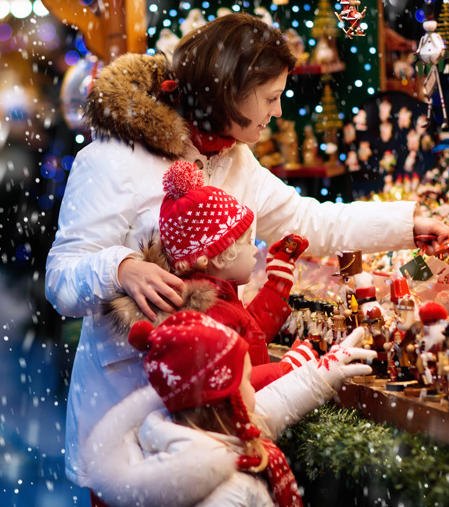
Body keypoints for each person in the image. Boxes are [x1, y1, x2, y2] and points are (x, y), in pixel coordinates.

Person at [45, 12, 449, 507]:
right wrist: (121, 267)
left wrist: (407, 222)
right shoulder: (113, 159)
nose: (278, 113)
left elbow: (308, 221)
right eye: (269, 98)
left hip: (212, 418)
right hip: (127, 410)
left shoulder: (236, 159)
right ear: (228, 91)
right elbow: (62, 278)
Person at [81, 310, 375, 507]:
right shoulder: (220, 493)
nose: (253, 386)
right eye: (246, 379)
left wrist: (320, 373)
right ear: (224, 399)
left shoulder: (194, 435)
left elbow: (269, 406)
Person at [105, 160, 318, 390]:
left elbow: (251, 333)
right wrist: (287, 370)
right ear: (219, 257)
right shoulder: (210, 317)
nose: (255, 249)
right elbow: (234, 384)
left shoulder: (217, 300)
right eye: (248, 241)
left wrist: (277, 283)